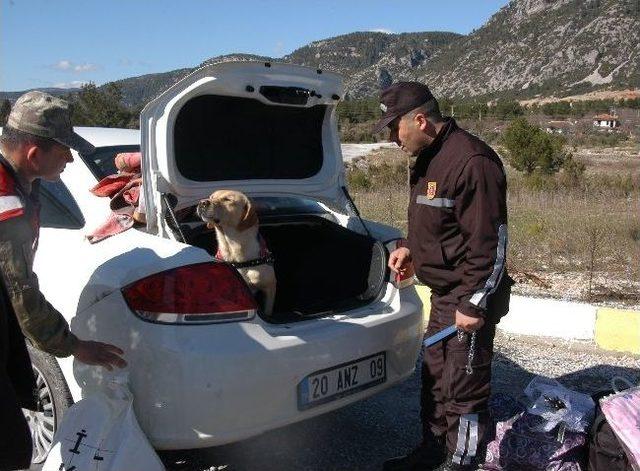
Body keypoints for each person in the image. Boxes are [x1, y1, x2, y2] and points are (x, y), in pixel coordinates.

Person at [376, 83, 512, 471]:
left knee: (463, 390)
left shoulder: (473, 161)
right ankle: (431, 453)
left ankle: (461, 462)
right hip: (441, 295)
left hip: (468, 296)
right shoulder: (428, 157)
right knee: (435, 381)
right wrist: (411, 250)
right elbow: (437, 225)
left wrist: (474, 302)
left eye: (392, 128)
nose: (390, 138)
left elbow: (490, 243)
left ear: (419, 120)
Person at [0, 91, 127, 470]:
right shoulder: (6, 199)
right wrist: (73, 345)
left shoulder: (22, 179)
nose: (71, 158)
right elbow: (18, 291)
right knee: (11, 451)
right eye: (64, 149)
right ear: (35, 154)